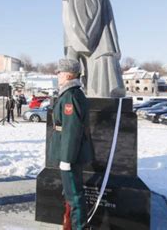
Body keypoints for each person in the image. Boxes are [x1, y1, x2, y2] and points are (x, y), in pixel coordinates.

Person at [54, 0, 125, 98]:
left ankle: (82, 92)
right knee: (71, 55)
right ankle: (70, 92)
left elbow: (94, 0)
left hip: (92, 28)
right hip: (74, 24)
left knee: (81, 58)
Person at [49, 59, 95, 230]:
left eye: (60, 72)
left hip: (70, 154)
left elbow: (72, 129)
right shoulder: (69, 93)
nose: (58, 75)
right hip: (67, 151)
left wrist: (66, 158)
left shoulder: (71, 96)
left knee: (75, 196)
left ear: (68, 75)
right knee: (70, 193)